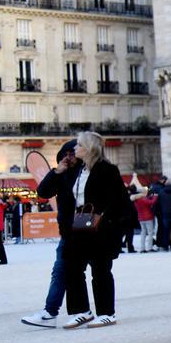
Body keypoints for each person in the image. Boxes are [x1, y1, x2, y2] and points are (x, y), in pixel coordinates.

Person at [47, 131, 131, 329]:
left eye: (78, 146)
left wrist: (106, 221)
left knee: (100, 269)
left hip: (101, 225)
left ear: (88, 148)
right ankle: (81, 311)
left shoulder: (107, 170)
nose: (74, 149)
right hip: (81, 221)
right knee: (72, 267)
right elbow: (48, 191)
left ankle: (106, 313)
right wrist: (57, 171)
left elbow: (119, 200)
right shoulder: (79, 170)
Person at [21, 140, 77, 328]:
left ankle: (99, 312)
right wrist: (56, 172)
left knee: (97, 272)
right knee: (60, 271)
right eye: (66, 154)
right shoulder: (61, 174)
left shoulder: (87, 174)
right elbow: (43, 191)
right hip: (69, 232)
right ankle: (50, 313)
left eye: (73, 153)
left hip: (89, 230)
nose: (69, 157)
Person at [133, 187, 159, 252]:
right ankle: (149, 247)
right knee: (150, 233)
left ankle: (142, 248)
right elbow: (151, 202)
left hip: (141, 218)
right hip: (148, 218)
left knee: (143, 233)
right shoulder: (143, 199)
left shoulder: (136, 199)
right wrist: (155, 196)